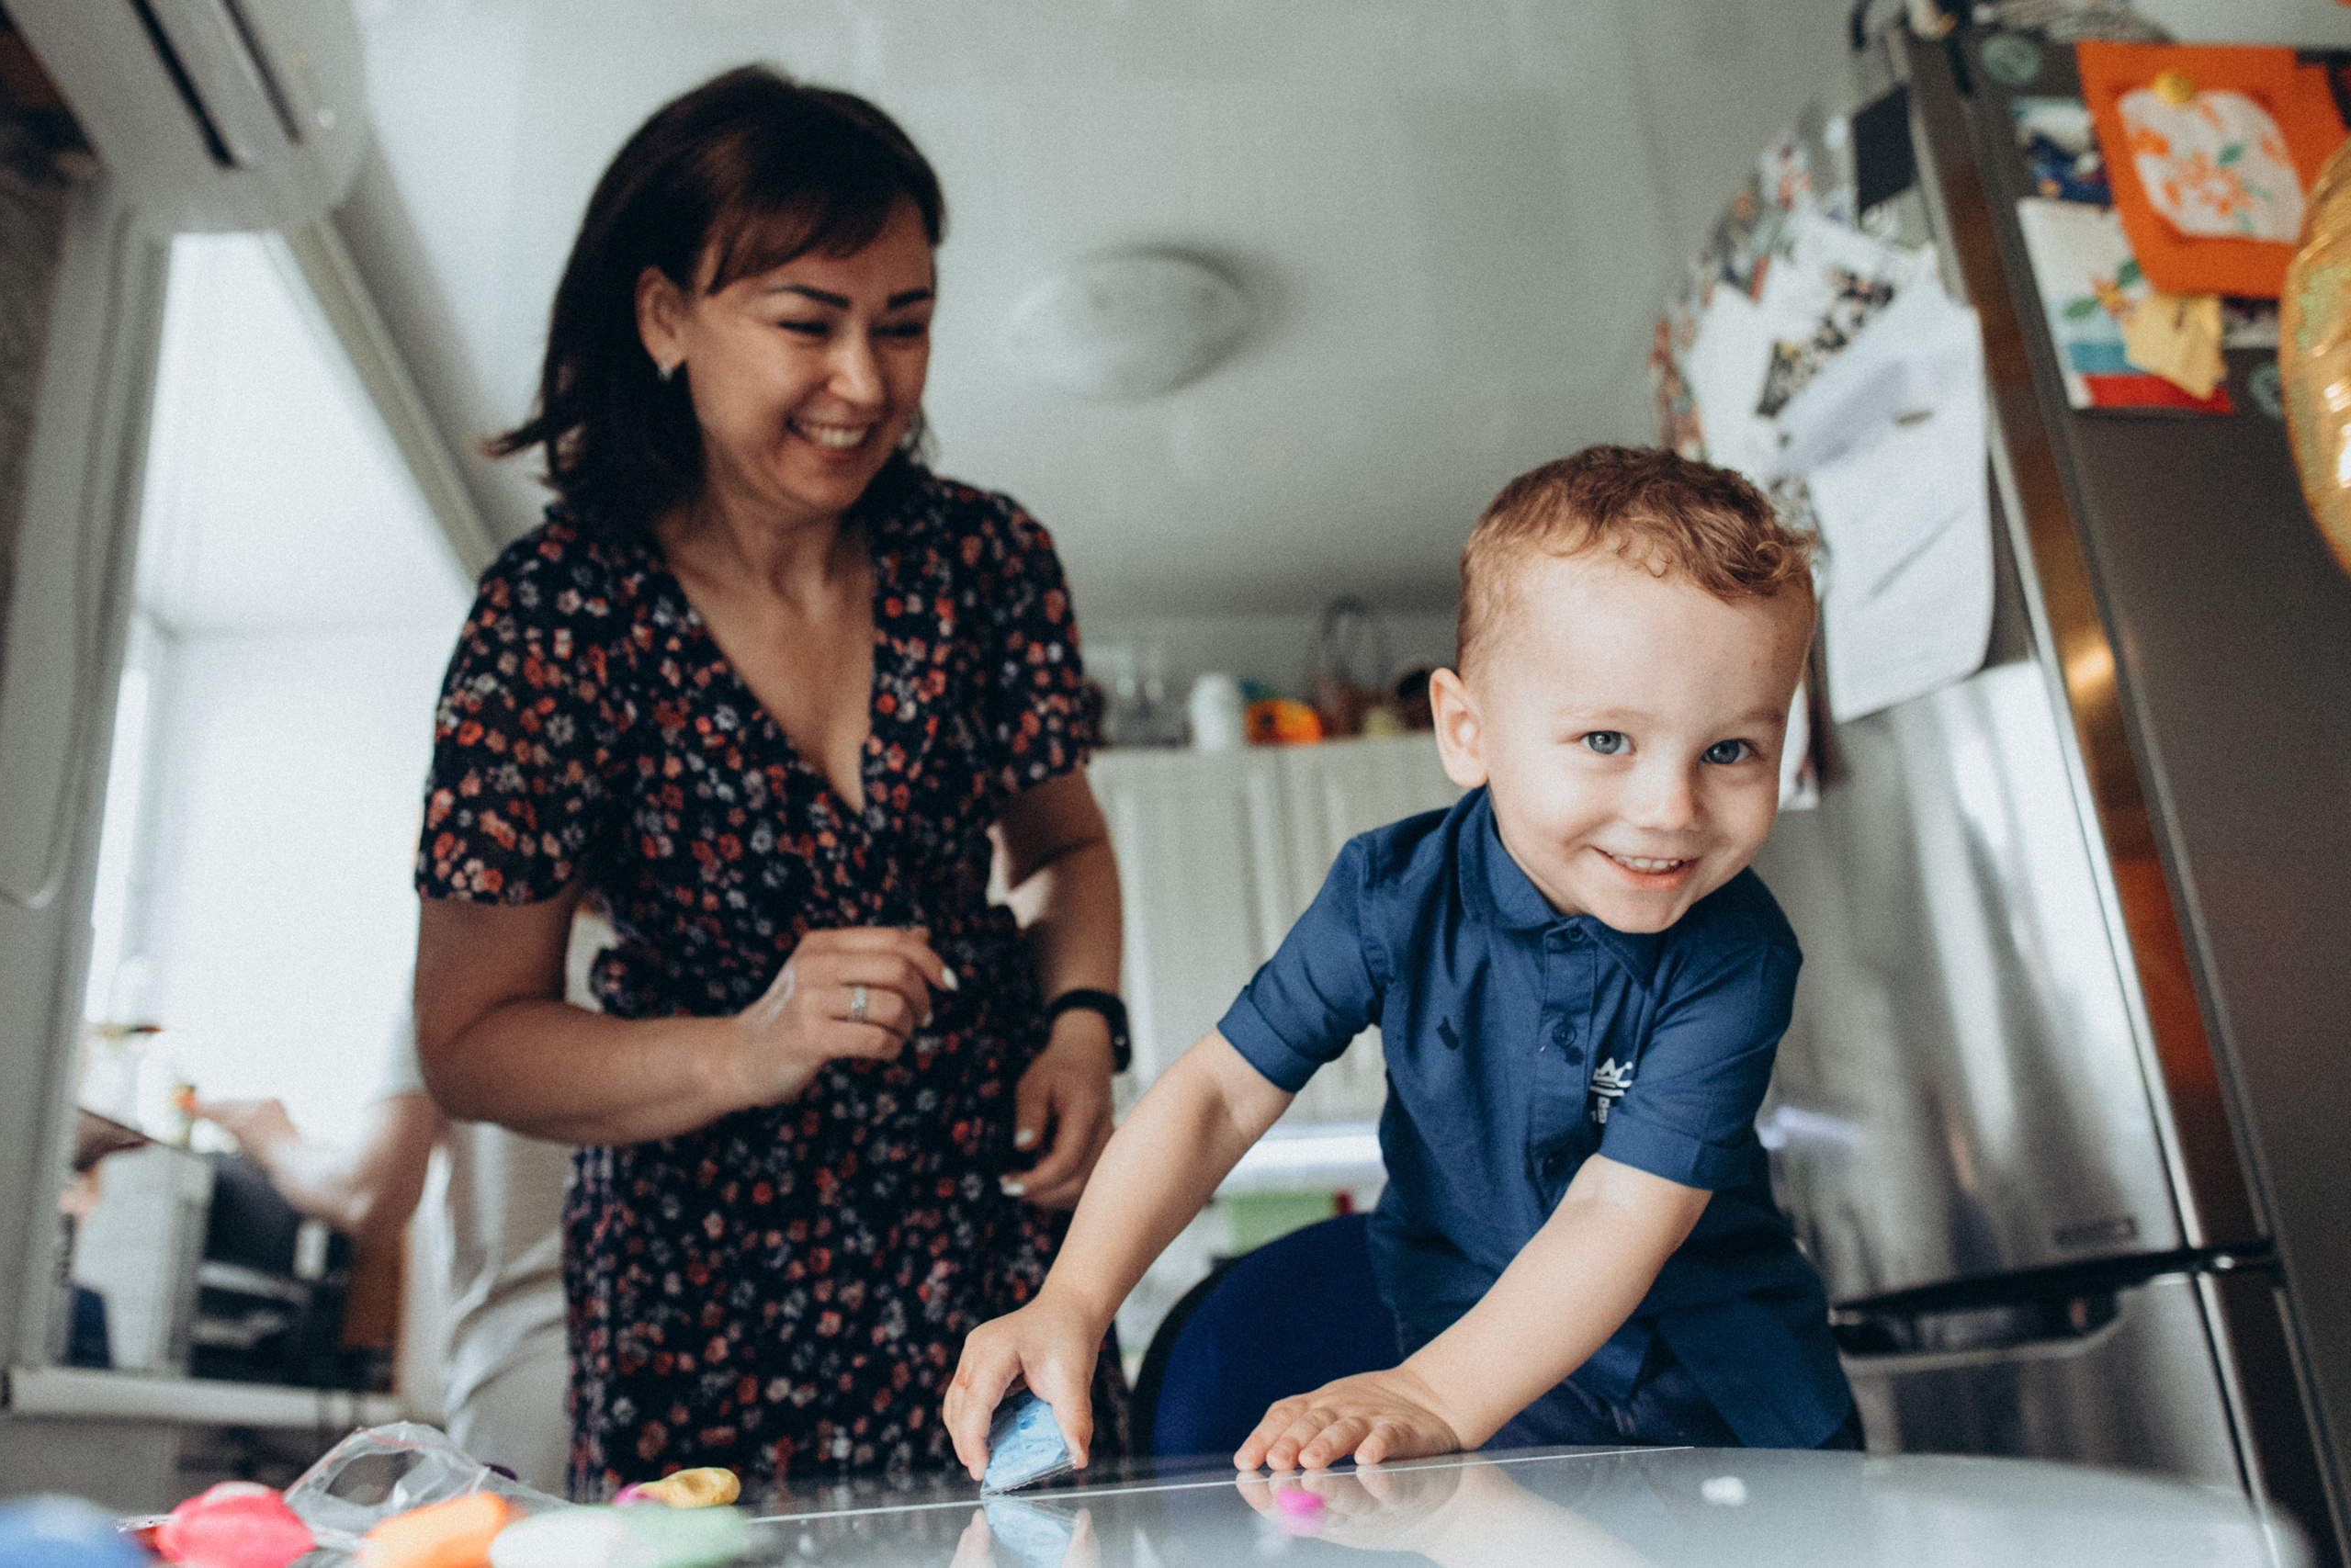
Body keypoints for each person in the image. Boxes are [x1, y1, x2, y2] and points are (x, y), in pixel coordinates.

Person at [411, 66, 1127, 1494]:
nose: (866, 383)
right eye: (808, 322)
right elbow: (471, 1036)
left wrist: (1082, 1025)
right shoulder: (552, 619)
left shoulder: (985, 560)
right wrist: (743, 1046)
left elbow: (1065, 853)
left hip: (990, 1240)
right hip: (703, 1293)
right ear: (665, 313)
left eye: (904, 325)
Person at [945, 446, 1858, 1475]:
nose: (1671, 810)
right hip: (1500, 1415)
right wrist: (1072, 1296)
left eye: (1729, 751)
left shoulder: (1736, 953)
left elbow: (1618, 1210)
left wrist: (1427, 1392)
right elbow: (1216, 1093)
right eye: (1606, 740)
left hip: (1736, 1409)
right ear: (1466, 731)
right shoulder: (1389, 893)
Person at [191, 999, 574, 1494]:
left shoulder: (457, 982)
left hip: (522, 1378)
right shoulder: (685, 956)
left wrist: (273, 1139)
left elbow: (369, 1196)